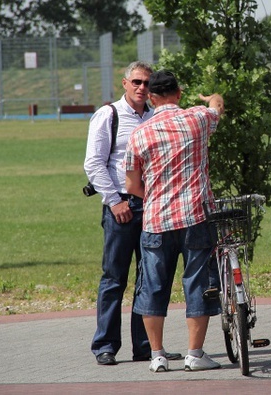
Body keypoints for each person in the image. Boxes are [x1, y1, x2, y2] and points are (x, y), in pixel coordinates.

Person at [125, 69, 225, 373]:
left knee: (153, 287)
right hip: (196, 216)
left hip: (155, 220)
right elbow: (217, 106)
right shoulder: (197, 119)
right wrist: (211, 98)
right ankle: (195, 354)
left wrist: (155, 197)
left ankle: (157, 355)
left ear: (151, 98)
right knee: (198, 284)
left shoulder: (139, 133)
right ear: (178, 93)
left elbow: (131, 185)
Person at [84, 61, 180, 366]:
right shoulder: (108, 115)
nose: (142, 88)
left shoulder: (156, 116)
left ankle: (146, 347)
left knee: (150, 276)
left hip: (152, 205)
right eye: (136, 82)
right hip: (120, 207)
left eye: (147, 83)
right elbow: (94, 164)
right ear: (124, 83)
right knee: (114, 277)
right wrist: (114, 201)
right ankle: (105, 345)